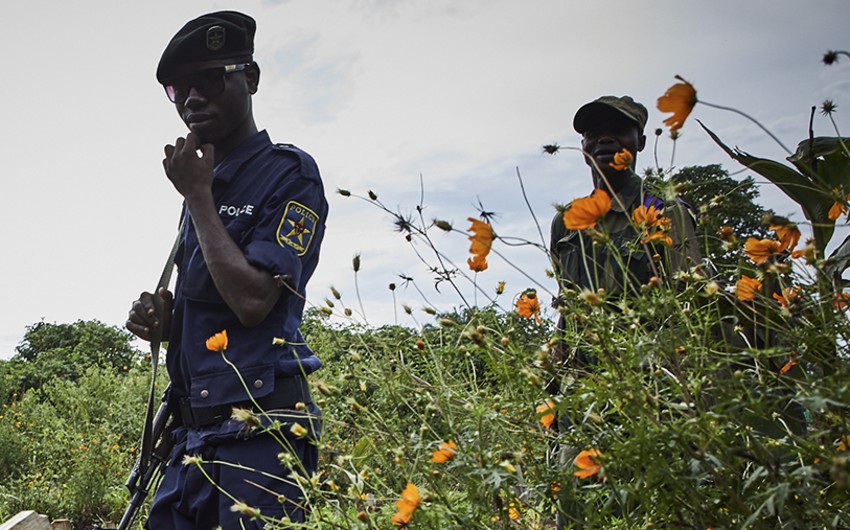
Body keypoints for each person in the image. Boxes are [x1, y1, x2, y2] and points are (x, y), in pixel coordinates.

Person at [126, 11, 327, 528]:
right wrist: (166, 322)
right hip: (191, 439)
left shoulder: (288, 174)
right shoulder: (205, 187)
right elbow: (217, 308)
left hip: (261, 435)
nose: (192, 99)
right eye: (180, 88)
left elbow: (254, 302)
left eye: (210, 80)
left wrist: (197, 195)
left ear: (251, 80)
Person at [547, 96, 700, 528]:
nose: (603, 139)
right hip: (583, 387)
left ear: (640, 142)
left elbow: (690, 303)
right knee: (575, 503)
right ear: (582, 148)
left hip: (650, 386)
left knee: (653, 505)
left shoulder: (665, 211)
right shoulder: (567, 222)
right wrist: (558, 372)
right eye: (592, 132)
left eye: (617, 129)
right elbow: (568, 302)